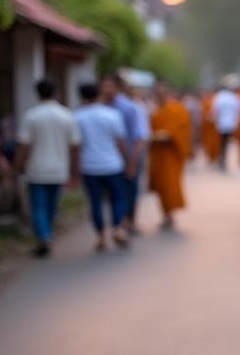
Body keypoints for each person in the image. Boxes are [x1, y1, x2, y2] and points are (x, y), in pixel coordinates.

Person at [14, 79, 81, 257]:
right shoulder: (67, 115)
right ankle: (47, 233)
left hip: (36, 169)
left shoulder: (31, 116)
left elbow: (23, 146)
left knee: (38, 206)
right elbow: (75, 146)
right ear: (56, 93)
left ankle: (44, 236)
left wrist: (17, 166)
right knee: (51, 205)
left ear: (37, 94)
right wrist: (75, 171)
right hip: (59, 169)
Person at [74, 83, 131, 251]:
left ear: (82, 97)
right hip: (112, 164)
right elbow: (120, 142)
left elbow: (76, 146)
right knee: (117, 199)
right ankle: (118, 228)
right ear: (99, 94)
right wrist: (127, 161)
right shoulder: (112, 114)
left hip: (89, 166)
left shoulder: (78, 117)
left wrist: (75, 170)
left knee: (95, 202)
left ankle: (100, 237)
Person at [99, 74, 149, 234]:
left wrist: (132, 162)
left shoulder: (129, 108)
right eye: (103, 86)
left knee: (130, 190)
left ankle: (129, 221)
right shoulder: (100, 107)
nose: (105, 89)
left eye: (109, 86)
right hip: (109, 158)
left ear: (118, 88)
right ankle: (118, 223)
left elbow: (138, 137)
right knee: (114, 193)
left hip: (129, 155)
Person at [148, 84, 192, 230]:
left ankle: (170, 214)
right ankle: (166, 214)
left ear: (168, 93)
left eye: (163, 93)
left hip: (172, 154)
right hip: (158, 154)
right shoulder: (155, 112)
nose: (160, 96)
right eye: (157, 93)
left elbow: (181, 130)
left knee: (170, 184)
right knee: (161, 186)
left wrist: (165, 135)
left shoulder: (176, 109)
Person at [209, 82, 240, 171]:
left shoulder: (219, 97)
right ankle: (223, 159)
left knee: (221, 142)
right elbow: (239, 111)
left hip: (221, 123)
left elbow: (214, 110)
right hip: (231, 124)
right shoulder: (235, 97)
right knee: (226, 143)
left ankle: (222, 159)